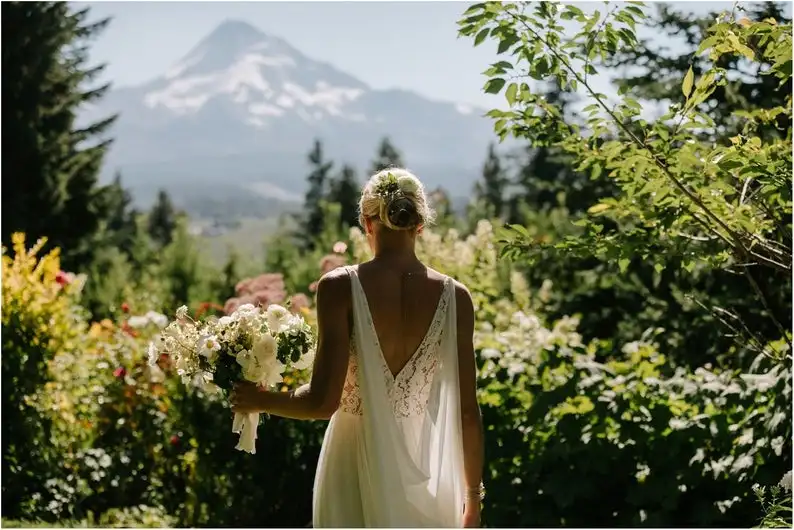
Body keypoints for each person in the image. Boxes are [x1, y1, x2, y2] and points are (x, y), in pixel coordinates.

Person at [231, 168, 485, 528]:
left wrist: (259, 399)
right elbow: (467, 413)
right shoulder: (456, 298)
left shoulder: (339, 287)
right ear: (420, 225)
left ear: (367, 222)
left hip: (351, 466)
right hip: (427, 473)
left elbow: (321, 403)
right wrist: (472, 498)